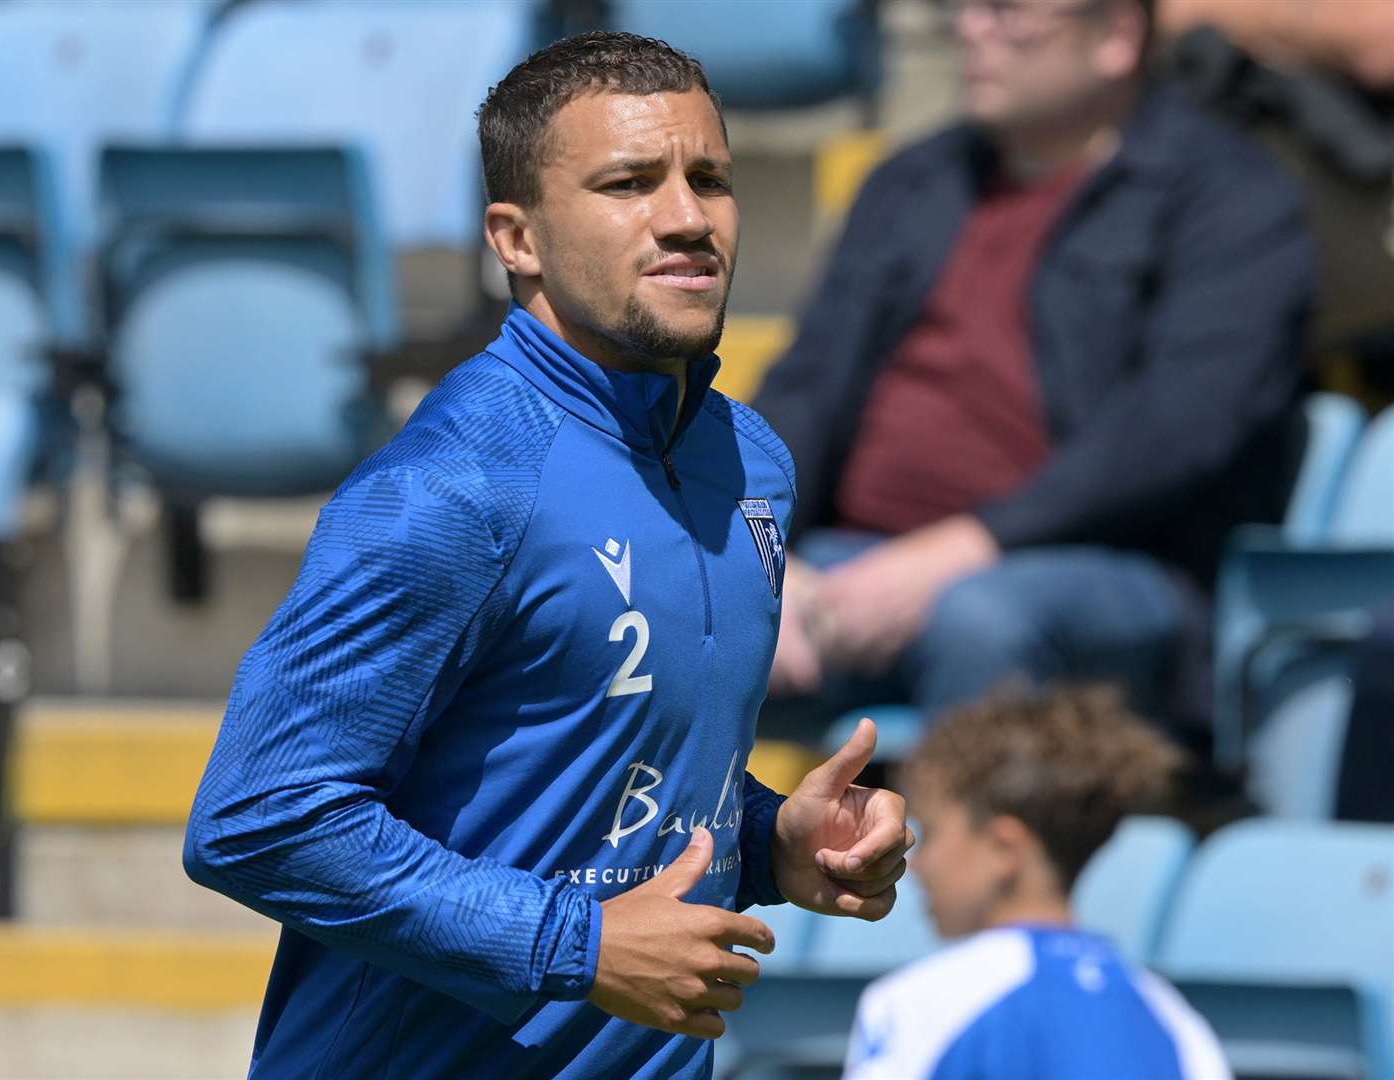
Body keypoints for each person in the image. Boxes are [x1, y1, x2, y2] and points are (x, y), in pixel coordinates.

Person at [182, 32, 912, 1080]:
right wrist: (577, 943)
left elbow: (607, 775)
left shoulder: (749, 463)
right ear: (514, 238)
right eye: (627, 183)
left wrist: (769, 841)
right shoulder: (449, 488)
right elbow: (258, 817)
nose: (685, 217)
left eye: (709, 178)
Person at [755, 0, 1315, 726]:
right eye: (965, 10)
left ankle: (958, 844)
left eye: (1008, 13)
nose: (971, 31)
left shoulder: (1229, 199)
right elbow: (804, 386)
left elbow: (1178, 428)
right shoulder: (911, 184)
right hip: (852, 564)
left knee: (979, 619)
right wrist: (758, 546)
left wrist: (965, 548)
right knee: (671, 597)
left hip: (1103, 570)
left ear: (1115, 35)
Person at [843, 685, 1233, 1080]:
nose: (919, 862)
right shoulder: (1173, 1019)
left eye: (932, 832)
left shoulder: (919, 1002)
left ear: (1004, 848)